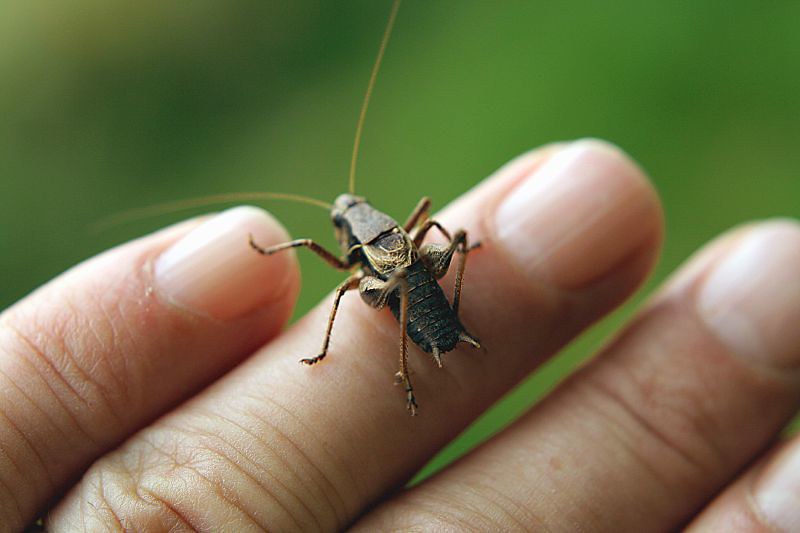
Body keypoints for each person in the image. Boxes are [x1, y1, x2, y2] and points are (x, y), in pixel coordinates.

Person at [1, 139, 797, 531]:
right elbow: (378, 256)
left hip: (408, 277)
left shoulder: (375, 237)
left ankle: (417, 366)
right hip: (402, 276)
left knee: (367, 282)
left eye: (344, 218)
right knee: (371, 280)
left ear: (352, 221)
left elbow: (391, 252)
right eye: (344, 222)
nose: (343, 223)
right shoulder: (365, 236)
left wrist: (443, 262)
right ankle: (418, 361)